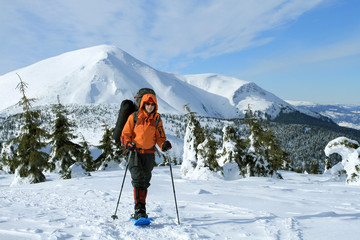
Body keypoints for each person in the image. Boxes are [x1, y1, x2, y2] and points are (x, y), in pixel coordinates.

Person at [121, 91, 172, 219]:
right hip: (135, 153)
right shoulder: (134, 117)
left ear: (155, 105)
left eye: (152, 104)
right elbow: (124, 135)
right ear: (143, 104)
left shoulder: (156, 119)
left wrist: (163, 145)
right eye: (148, 104)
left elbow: (160, 137)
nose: (150, 106)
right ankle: (139, 210)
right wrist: (128, 144)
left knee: (145, 181)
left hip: (149, 154)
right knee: (138, 180)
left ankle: (141, 207)